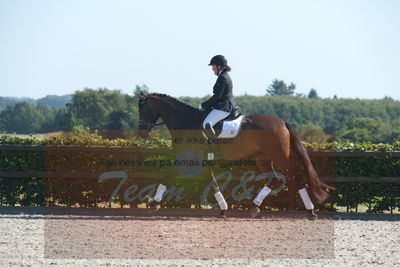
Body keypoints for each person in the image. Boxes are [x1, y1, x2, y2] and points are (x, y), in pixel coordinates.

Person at [201, 55, 237, 139]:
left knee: (206, 124)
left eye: (213, 66)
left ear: (219, 66)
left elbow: (217, 96)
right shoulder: (223, 76)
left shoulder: (223, 78)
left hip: (223, 107)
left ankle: (215, 148)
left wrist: (203, 105)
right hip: (223, 106)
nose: (212, 69)